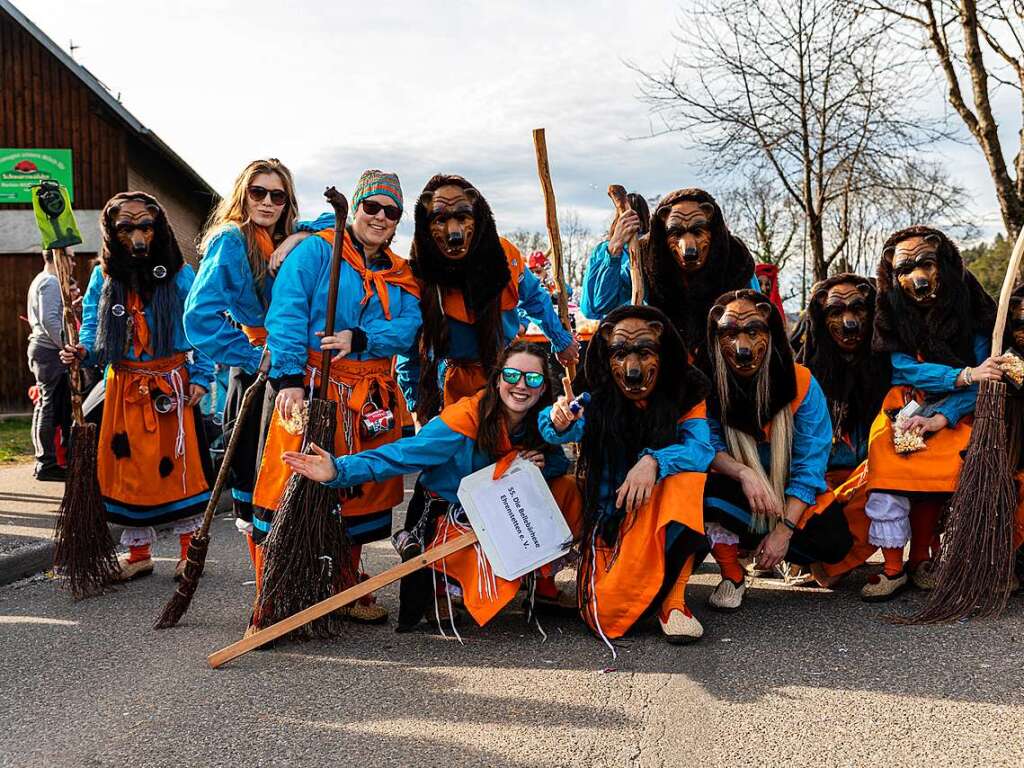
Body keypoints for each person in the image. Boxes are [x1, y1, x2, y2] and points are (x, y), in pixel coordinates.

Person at [282, 341, 581, 633]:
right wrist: (338, 469)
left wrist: (536, 461)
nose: (521, 385)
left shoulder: (540, 423)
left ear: (543, 388)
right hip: (449, 513)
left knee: (567, 489)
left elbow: (556, 464)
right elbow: (401, 454)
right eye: (512, 375)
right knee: (471, 559)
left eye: (533, 378)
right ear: (498, 379)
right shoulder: (462, 420)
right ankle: (442, 581)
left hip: (503, 511)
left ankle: (543, 586)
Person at [250, 170, 421, 625]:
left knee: (360, 492)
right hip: (313, 387)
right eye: (372, 207)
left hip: (369, 399)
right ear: (357, 207)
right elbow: (286, 312)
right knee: (288, 485)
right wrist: (287, 378)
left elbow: (408, 329)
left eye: (392, 211)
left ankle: (345, 583)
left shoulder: (400, 273)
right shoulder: (315, 251)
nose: (380, 218)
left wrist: (361, 338)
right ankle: (275, 590)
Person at [59, 192, 214, 580]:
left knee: (179, 469)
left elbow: (202, 327)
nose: (139, 237)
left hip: (171, 386)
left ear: (157, 228)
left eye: (146, 226)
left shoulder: (179, 275)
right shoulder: (103, 276)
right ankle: (139, 552)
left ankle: (187, 552)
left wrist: (202, 375)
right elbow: (95, 333)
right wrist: (81, 352)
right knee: (128, 470)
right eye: (126, 228)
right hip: (124, 387)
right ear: (112, 233)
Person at [541, 305, 714, 646]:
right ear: (607, 355)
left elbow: (701, 449)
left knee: (689, 478)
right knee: (605, 616)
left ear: (661, 353)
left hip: (658, 511)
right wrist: (556, 419)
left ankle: (673, 601)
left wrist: (654, 462)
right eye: (621, 354)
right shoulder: (595, 400)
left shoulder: (685, 397)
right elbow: (554, 430)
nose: (633, 369)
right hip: (609, 520)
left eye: (644, 352)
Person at [861, 226, 1003, 601]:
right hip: (904, 403)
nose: (916, 278)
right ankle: (892, 567)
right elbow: (901, 368)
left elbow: (984, 374)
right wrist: (958, 374)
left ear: (945, 265)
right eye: (905, 269)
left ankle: (927, 559)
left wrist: (943, 415)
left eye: (925, 263)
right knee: (890, 465)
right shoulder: (890, 310)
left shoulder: (972, 307)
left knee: (946, 470)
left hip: (963, 410)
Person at [184, 158, 306, 580]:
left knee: (303, 478)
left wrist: (298, 237)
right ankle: (267, 589)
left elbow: (334, 220)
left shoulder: (291, 236)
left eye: (278, 195)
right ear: (242, 194)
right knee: (261, 484)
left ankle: (310, 579)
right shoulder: (230, 241)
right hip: (257, 374)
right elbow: (199, 317)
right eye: (259, 193)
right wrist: (255, 356)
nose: (268, 202)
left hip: (299, 370)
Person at [702, 289, 857, 611]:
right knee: (701, 496)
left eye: (753, 331)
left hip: (791, 495)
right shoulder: (707, 386)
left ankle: (786, 553)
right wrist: (744, 473)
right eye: (730, 333)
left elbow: (811, 462)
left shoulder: (801, 383)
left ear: (770, 334)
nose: (742, 347)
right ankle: (732, 573)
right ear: (716, 336)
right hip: (740, 492)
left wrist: (784, 531)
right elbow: (707, 445)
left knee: (834, 544)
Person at [401, 173, 579, 421]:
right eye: (440, 219)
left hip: (506, 377)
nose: (454, 232)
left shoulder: (504, 256)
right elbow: (408, 346)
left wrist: (560, 340)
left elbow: (535, 298)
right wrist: (417, 405)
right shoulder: (418, 272)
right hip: (449, 387)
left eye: (462, 217)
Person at [581, 188, 759, 367]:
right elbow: (597, 306)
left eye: (697, 232)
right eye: (677, 232)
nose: (689, 247)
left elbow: (756, 317)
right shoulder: (647, 259)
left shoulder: (736, 261)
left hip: (722, 363)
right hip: (661, 362)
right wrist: (614, 250)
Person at [26, 247, 73, 481]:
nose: (73, 263)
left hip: (43, 348)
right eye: (71, 258)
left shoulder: (40, 280)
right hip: (49, 350)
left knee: (46, 404)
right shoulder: (51, 282)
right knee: (48, 405)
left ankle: (47, 460)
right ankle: (47, 463)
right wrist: (66, 345)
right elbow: (48, 319)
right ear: (58, 257)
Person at [579, 191, 650, 320]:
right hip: (645, 326)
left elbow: (590, 309)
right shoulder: (603, 250)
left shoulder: (603, 251)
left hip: (618, 328)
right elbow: (592, 307)